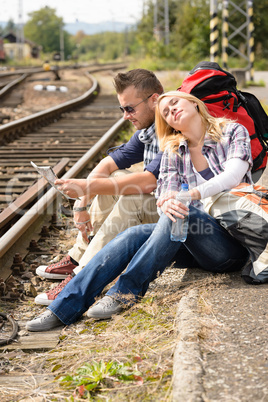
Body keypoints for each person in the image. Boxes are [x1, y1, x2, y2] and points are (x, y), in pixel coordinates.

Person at [26, 91, 253, 332]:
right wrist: (165, 201)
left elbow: (232, 177)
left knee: (181, 210)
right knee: (134, 234)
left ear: (193, 103)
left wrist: (187, 196)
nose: (171, 110)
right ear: (168, 124)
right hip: (190, 244)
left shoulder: (231, 132)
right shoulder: (173, 151)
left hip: (231, 242)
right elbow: (164, 192)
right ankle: (63, 308)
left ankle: (124, 293)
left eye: (175, 102)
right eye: (165, 112)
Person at [34, 69, 163, 305]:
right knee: (115, 177)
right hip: (163, 209)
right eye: (122, 109)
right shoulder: (148, 130)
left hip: (184, 220)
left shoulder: (174, 126)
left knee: (130, 195)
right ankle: (78, 257)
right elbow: (107, 165)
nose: (125, 116)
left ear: (154, 100)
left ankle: (80, 278)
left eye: (130, 108)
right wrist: (82, 201)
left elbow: (148, 182)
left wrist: (85, 186)